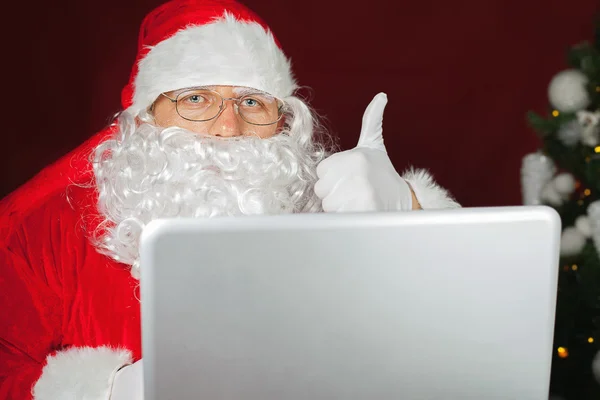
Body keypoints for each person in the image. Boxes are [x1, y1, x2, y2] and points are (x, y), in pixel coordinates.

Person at [0, 0, 460, 398]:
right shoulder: (39, 227)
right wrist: (107, 393)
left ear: (283, 122)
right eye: (196, 99)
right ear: (144, 118)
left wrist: (409, 220)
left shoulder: (328, 202)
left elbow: (463, 343)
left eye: (252, 103)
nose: (227, 128)